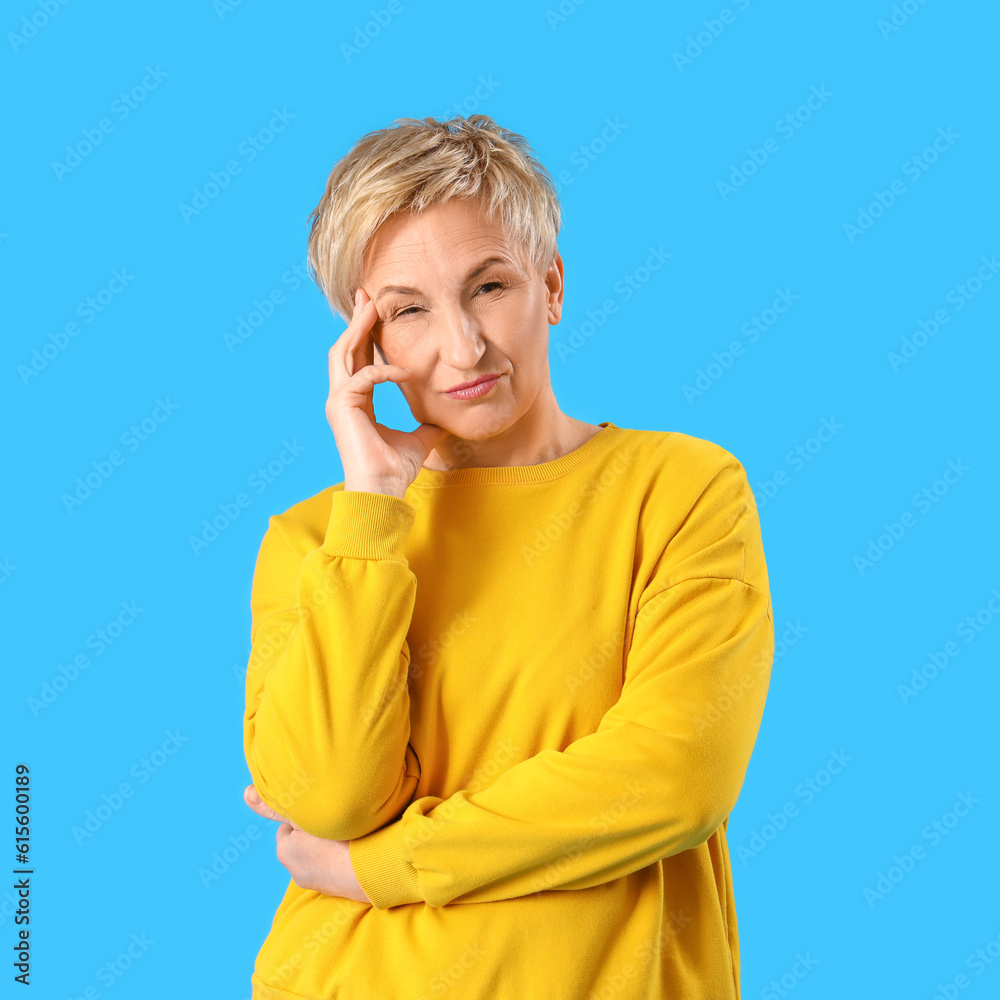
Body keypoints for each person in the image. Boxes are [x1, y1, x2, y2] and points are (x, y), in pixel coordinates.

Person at [241, 113, 775, 1000]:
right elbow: (333, 800)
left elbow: (675, 779)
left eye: (488, 287)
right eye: (408, 309)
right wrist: (374, 507)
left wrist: (386, 867)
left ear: (552, 283)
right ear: (363, 344)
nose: (464, 347)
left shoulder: (679, 491)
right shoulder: (319, 539)